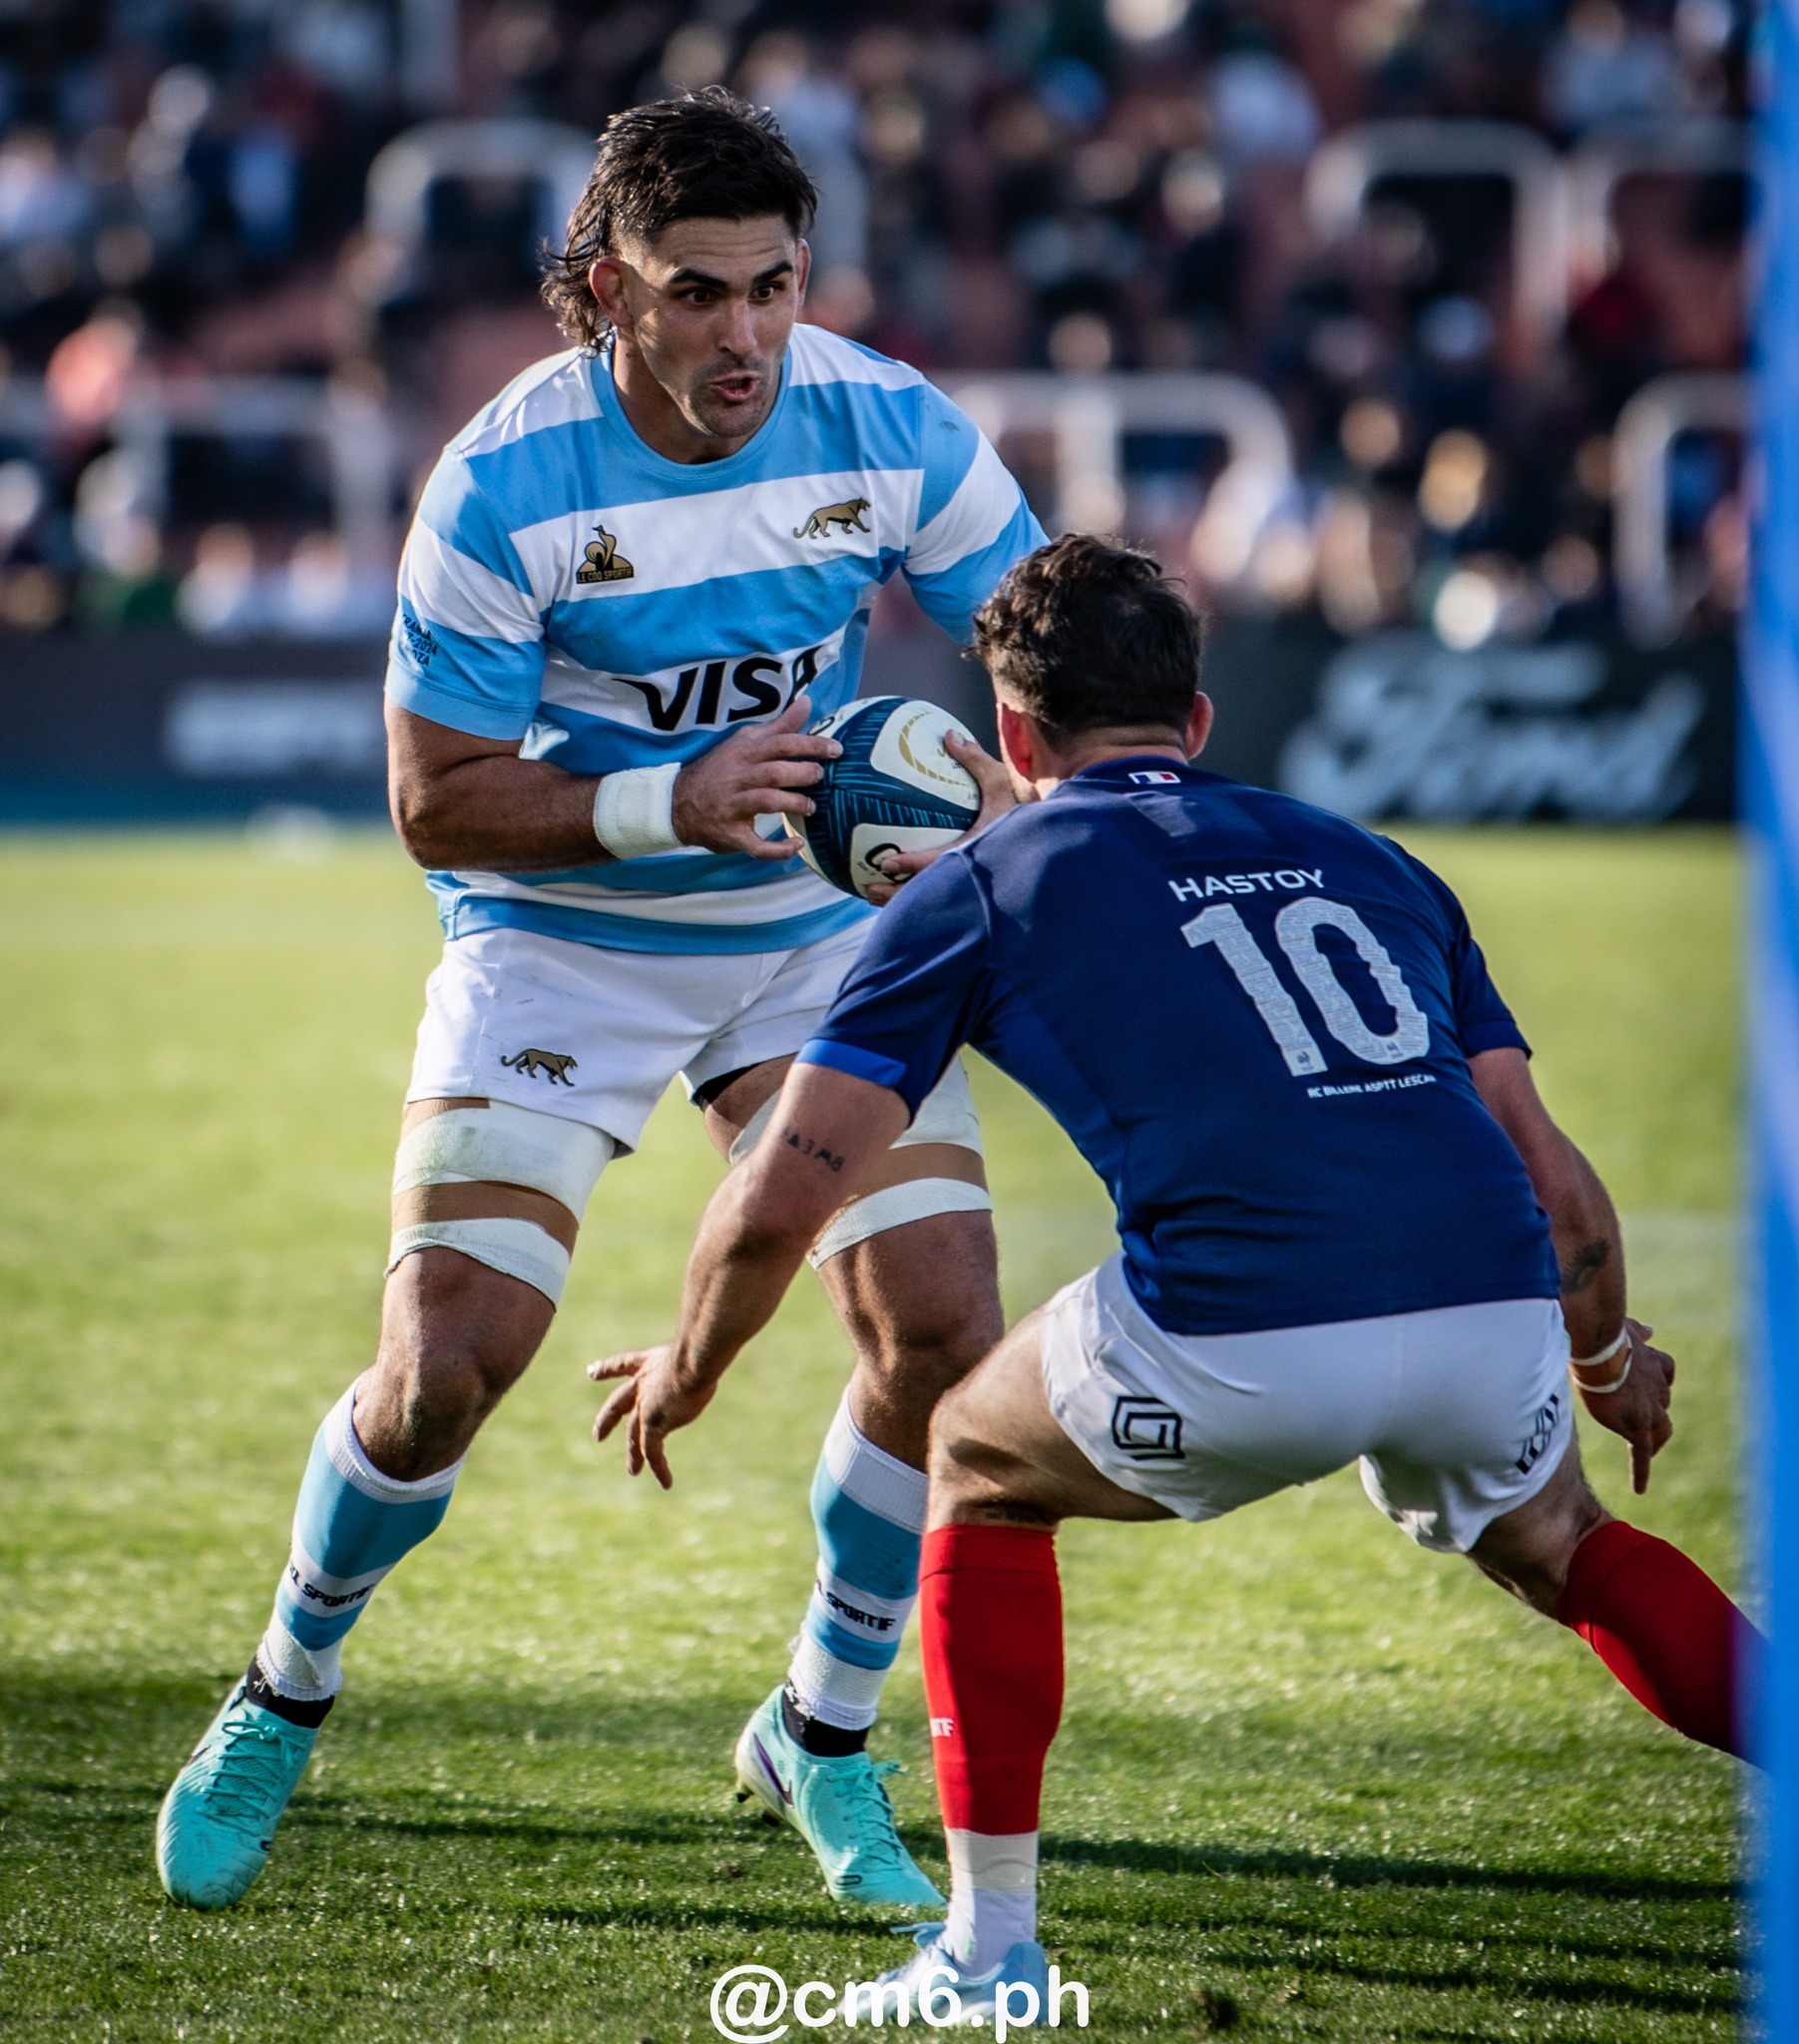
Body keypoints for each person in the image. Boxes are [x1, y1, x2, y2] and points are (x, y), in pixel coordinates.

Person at [590, 534, 1762, 2023]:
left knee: (969, 1456)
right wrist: (1604, 1364)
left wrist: (690, 1364)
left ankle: (989, 1953)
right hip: (1492, 1302)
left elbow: (783, 1193)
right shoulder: (1371, 858)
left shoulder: (973, 885)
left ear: (1012, 737)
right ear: (1199, 720)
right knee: (1556, 1535)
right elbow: (1555, 1174)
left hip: (1248, 1336)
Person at [155, 88, 1043, 1914]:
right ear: (601, 287)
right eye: (698, 291)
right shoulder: (499, 481)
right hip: (558, 928)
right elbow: (434, 794)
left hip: (807, 933)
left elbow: (1034, 640)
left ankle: (820, 1727)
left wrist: (1031, 779)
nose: (745, 335)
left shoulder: (891, 424)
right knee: (443, 1372)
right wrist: (664, 804)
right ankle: (284, 1684)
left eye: (775, 286)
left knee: (942, 1328)